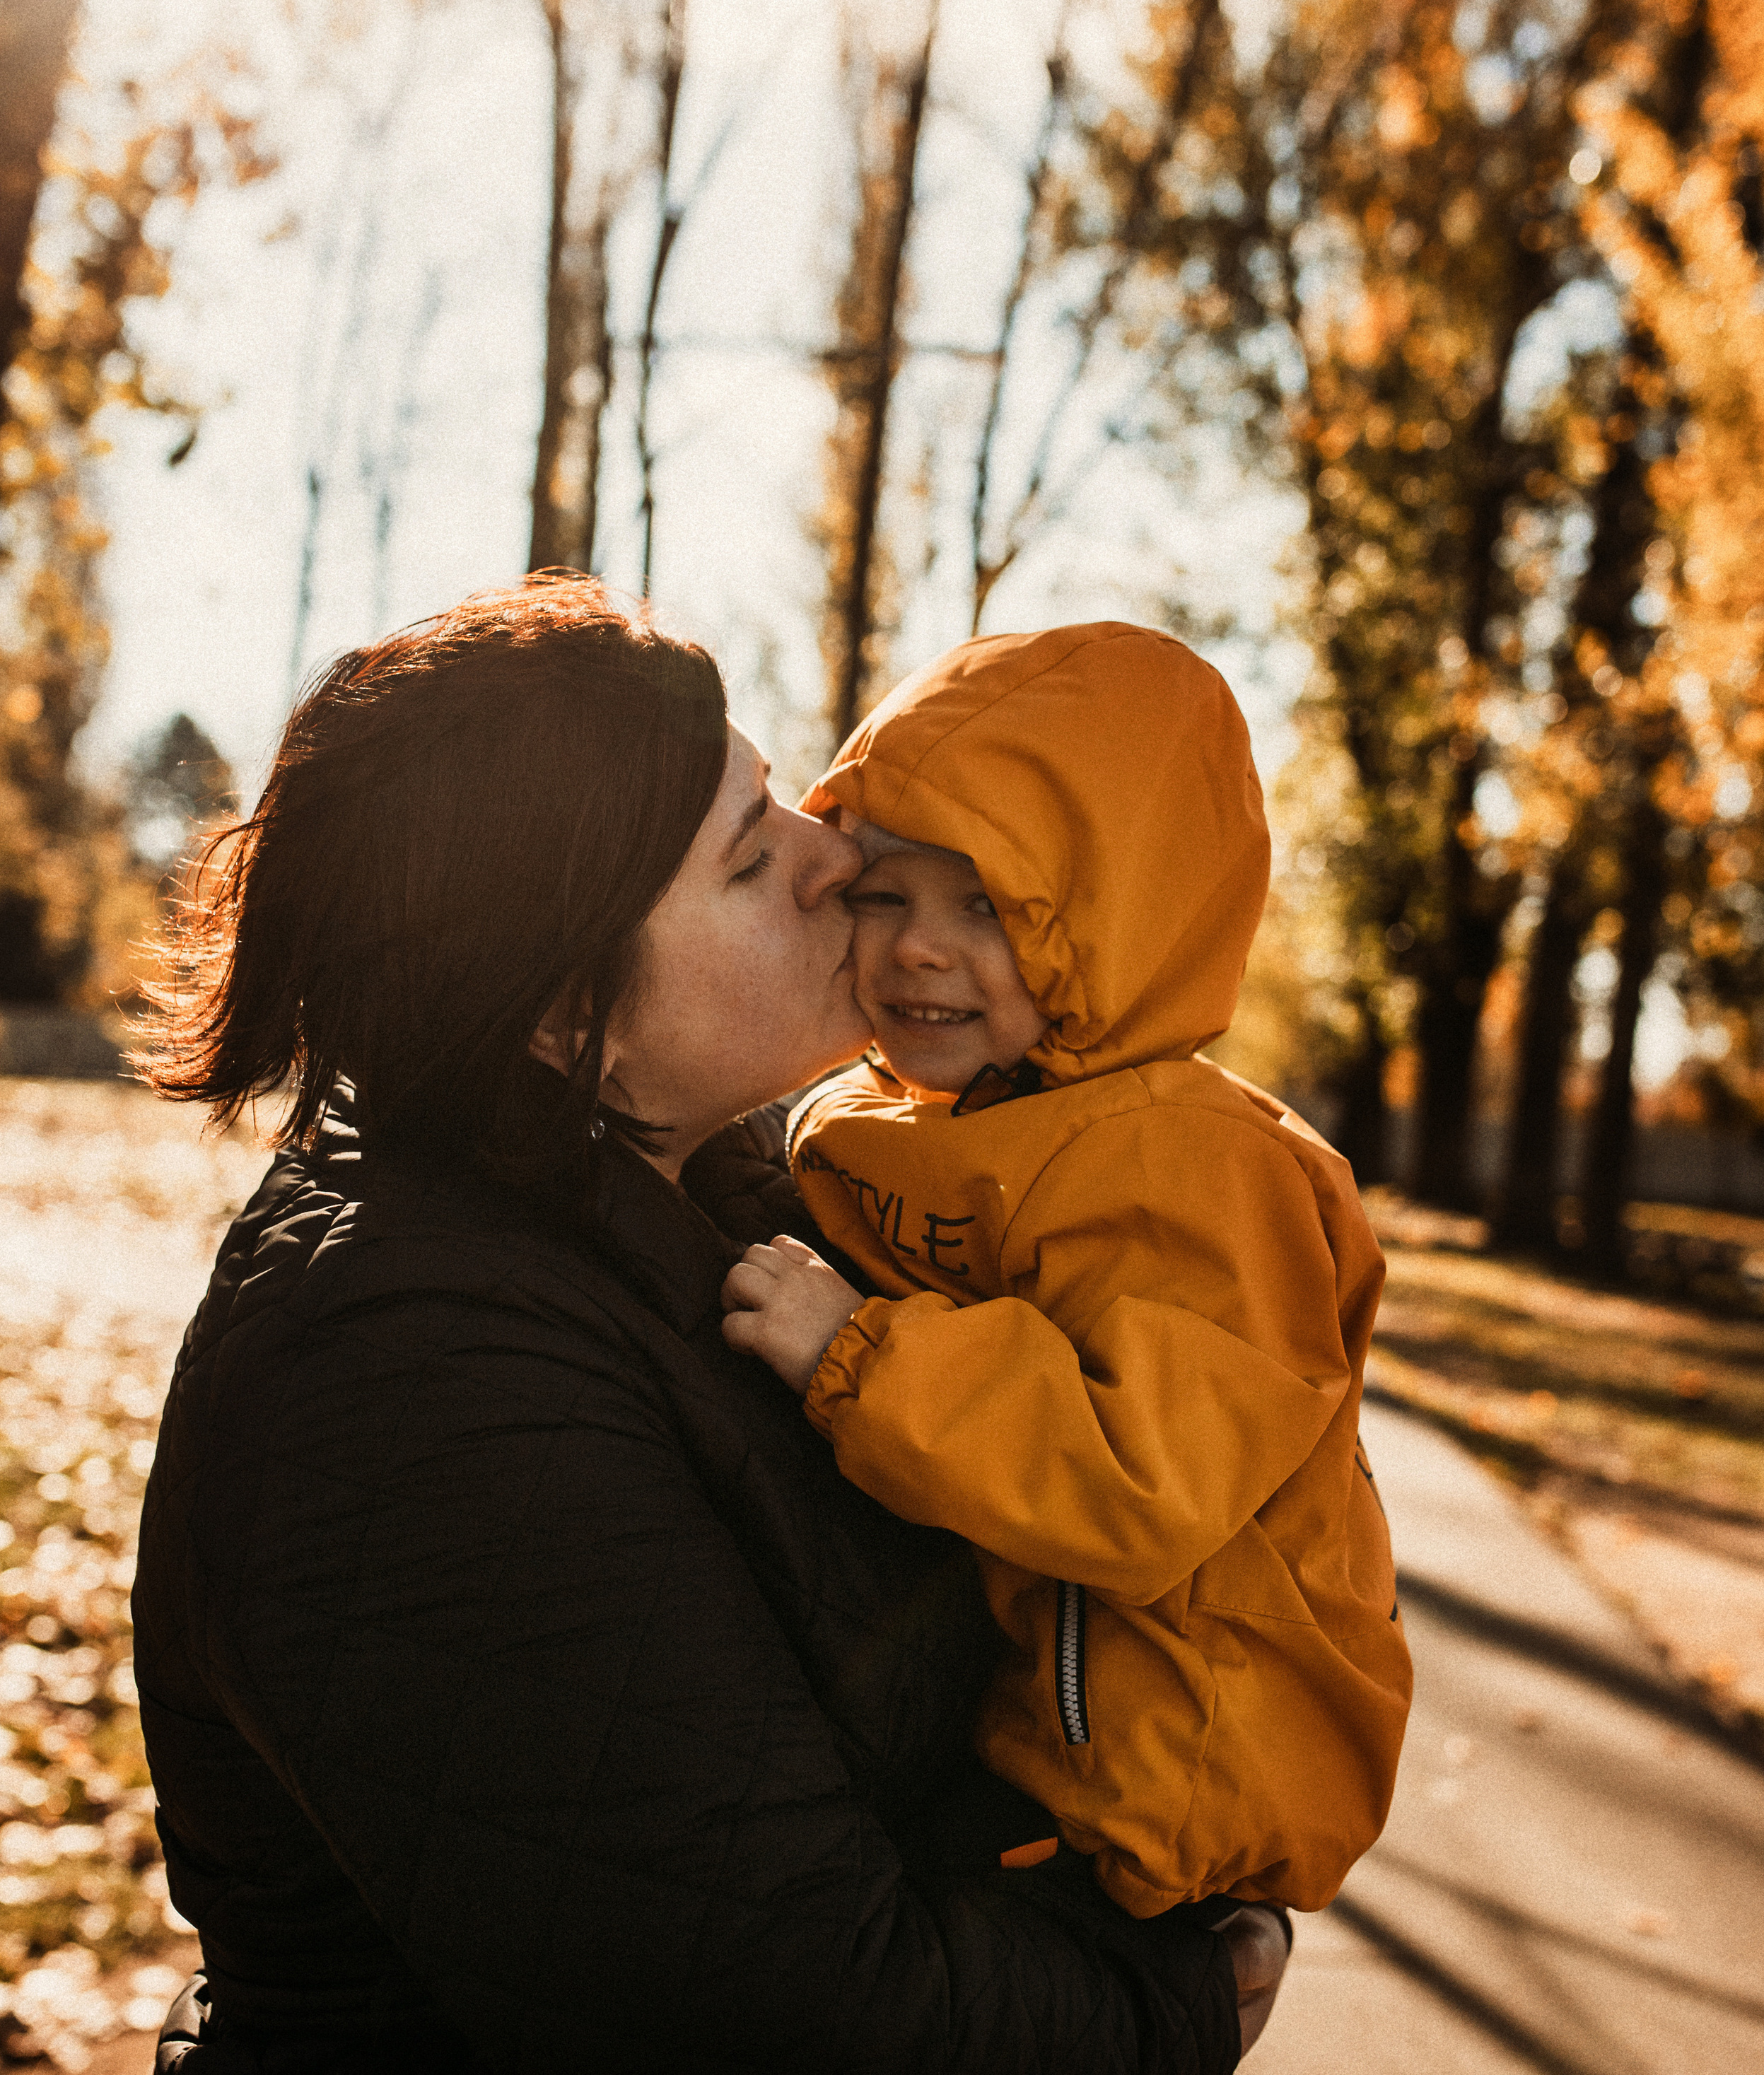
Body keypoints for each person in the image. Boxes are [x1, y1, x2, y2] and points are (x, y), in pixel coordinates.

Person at [128, 578, 1286, 2074]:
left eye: (777, 799)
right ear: (560, 1016)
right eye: (752, 860)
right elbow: (792, 2018)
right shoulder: (409, 1383)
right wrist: (1178, 1995)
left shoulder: (744, 1198)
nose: (840, 855)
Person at [720, 621, 1413, 1922]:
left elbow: (1146, 1469)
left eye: (990, 905)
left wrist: (857, 1355)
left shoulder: (1194, 1169)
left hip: (1159, 1774)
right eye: (889, 893)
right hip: (1029, 1731)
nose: (921, 948)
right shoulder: (929, 1120)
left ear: (1124, 922)